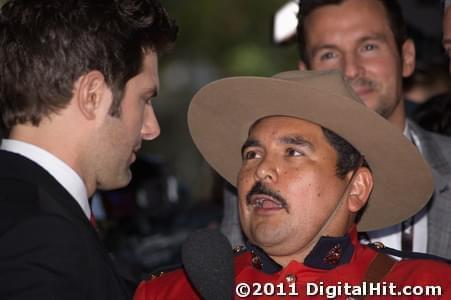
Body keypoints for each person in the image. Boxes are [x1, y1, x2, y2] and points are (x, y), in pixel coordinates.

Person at [135, 70, 451, 299]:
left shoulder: (426, 287)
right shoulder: (167, 293)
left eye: (293, 152)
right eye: (252, 154)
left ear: (356, 188)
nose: (261, 171)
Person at [0, 0, 177, 299]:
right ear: (92, 96)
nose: (151, 128)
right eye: (145, 100)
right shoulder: (42, 238)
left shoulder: (29, 214)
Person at [293, 0, 451, 259]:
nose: (351, 69)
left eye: (368, 47)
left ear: (407, 57)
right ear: (305, 74)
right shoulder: (269, 179)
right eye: (329, 55)